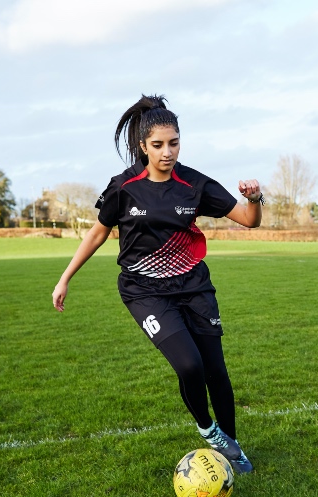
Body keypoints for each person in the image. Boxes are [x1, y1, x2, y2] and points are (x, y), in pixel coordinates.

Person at [52, 94, 263, 473]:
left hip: (194, 288)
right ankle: (209, 431)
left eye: (174, 143)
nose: (167, 152)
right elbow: (98, 234)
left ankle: (232, 449)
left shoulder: (194, 184)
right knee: (189, 366)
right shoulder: (124, 187)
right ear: (142, 145)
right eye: (158, 145)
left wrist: (256, 198)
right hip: (145, 291)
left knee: (216, 371)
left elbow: (249, 220)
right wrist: (65, 277)